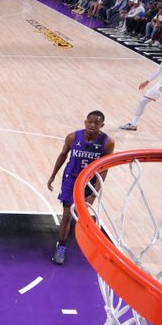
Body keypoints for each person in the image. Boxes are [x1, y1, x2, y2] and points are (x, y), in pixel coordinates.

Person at [47, 110, 115, 265]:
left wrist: (94, 192)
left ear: (102, 125)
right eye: (90, 121)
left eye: (96, 122)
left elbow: (104, 168)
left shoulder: (108, 143)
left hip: (89, 182)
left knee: (81, 214)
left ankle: (83, 242)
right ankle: (61, 246)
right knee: (66, 214)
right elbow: (63, 155)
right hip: (71, 179)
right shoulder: (72, 137)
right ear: (85, 122)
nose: (92, 125)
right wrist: (53, 175)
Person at [120, 36, 162, 143]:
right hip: (160, 85)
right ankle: (133, 124)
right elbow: (159, 69)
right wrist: (147, 81)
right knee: (143, 101)